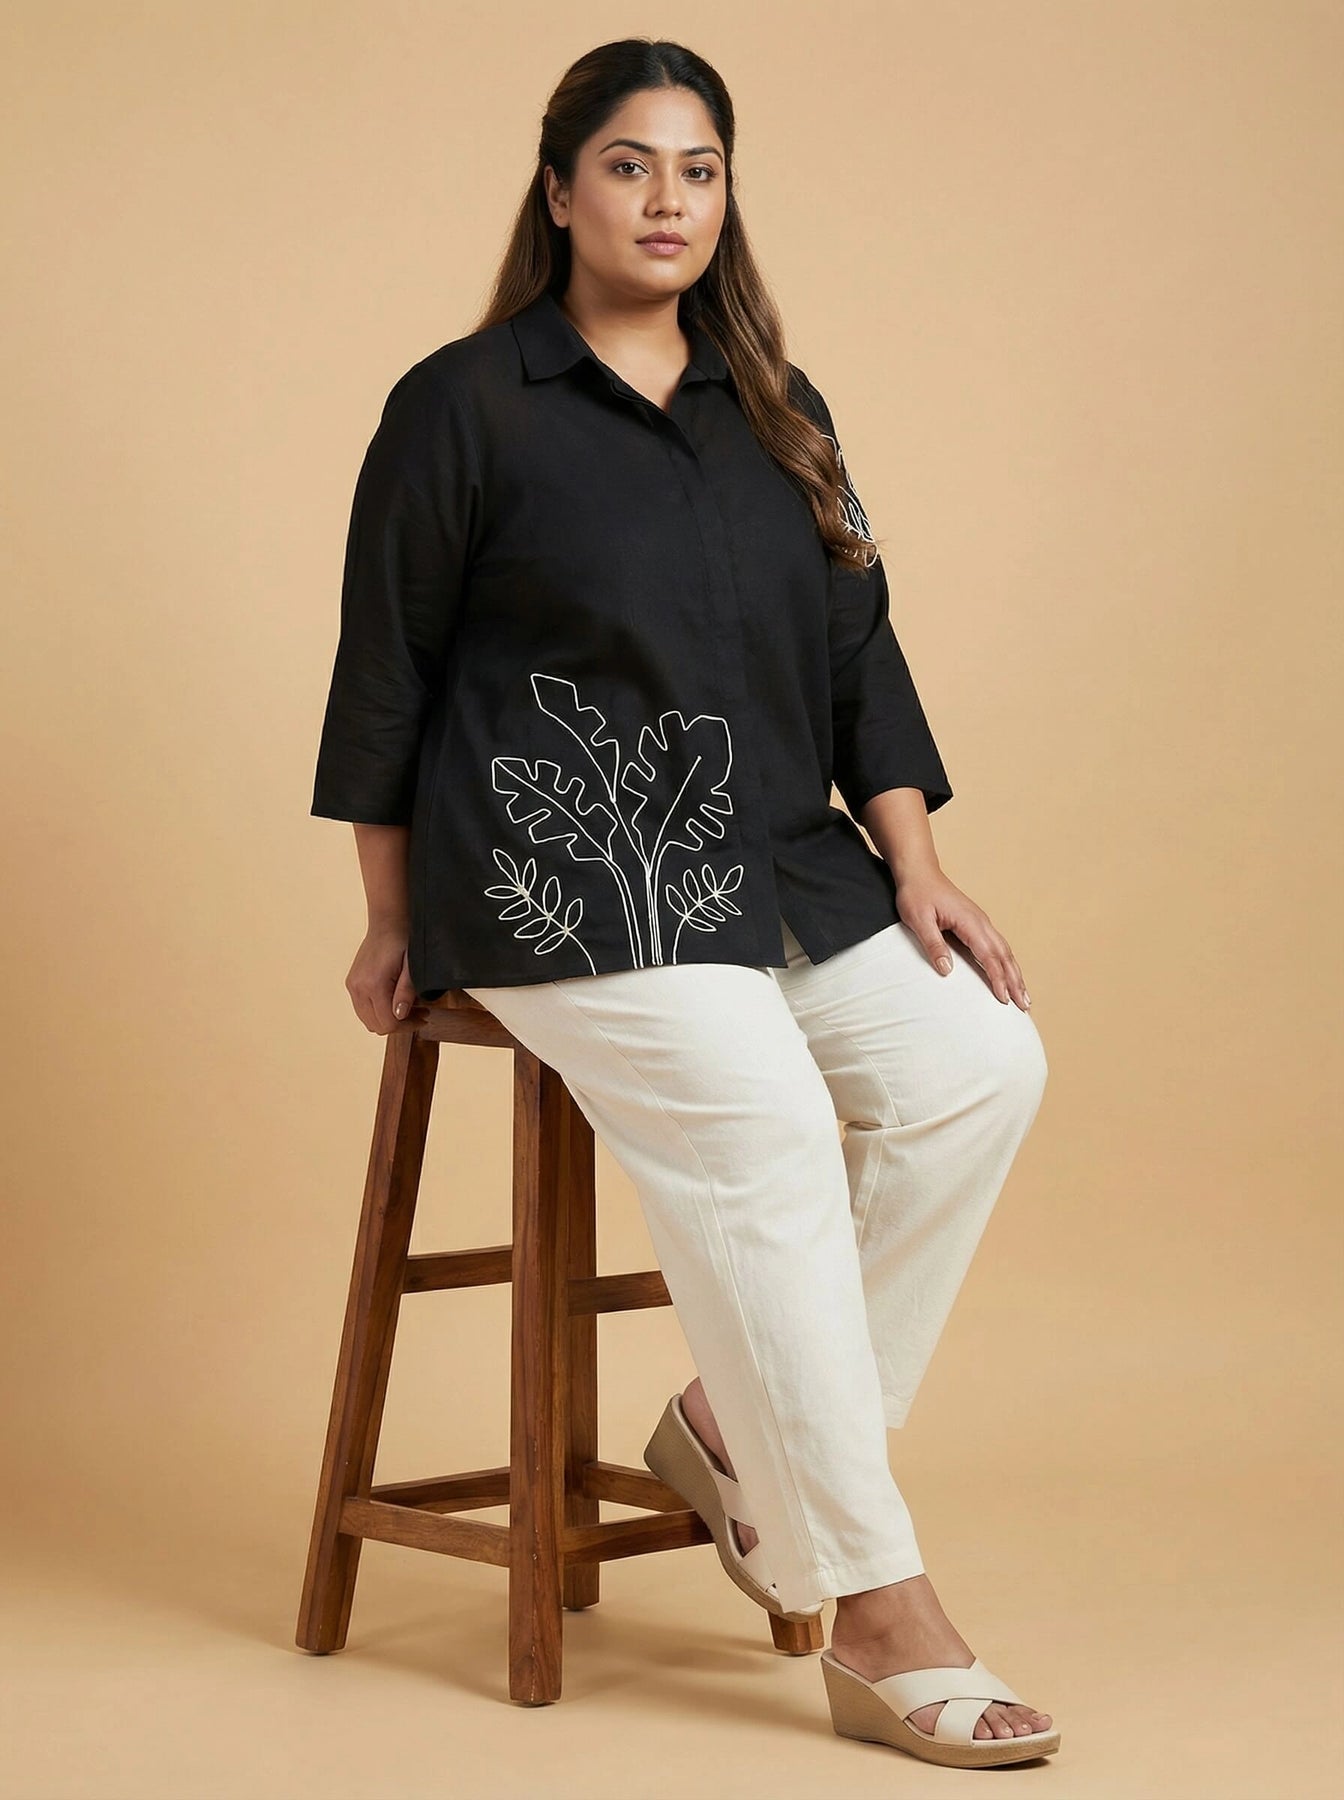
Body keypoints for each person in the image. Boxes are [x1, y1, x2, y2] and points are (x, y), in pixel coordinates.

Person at [310, 36, 1059, 1771]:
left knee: (981, 1067)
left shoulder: (781, 406)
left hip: (780, 859)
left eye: (699, 168)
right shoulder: (462, 403)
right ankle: (874, 1607)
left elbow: (861, 647)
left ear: (728, 196)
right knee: (774, 1130)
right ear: (561, 190)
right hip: (558, 879)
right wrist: (390, 913)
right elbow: (385, 671)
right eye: (631, 165)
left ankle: (735, 1431)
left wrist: (917, 863)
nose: (668, 199)